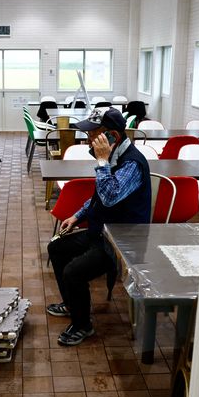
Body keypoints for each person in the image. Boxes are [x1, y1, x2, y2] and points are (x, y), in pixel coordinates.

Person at [47, 107, 152, 346]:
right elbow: (97, 197)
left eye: (93, 134)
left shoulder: (131, 164)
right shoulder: (113, 158)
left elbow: (109, 196)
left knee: (74, 271)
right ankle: (73, 305)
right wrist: (77, 215)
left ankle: (83, 325)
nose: (87, 139)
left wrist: (102, 161)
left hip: (123, 243)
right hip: (104, 232)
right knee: (57, 248)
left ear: (112, 137)